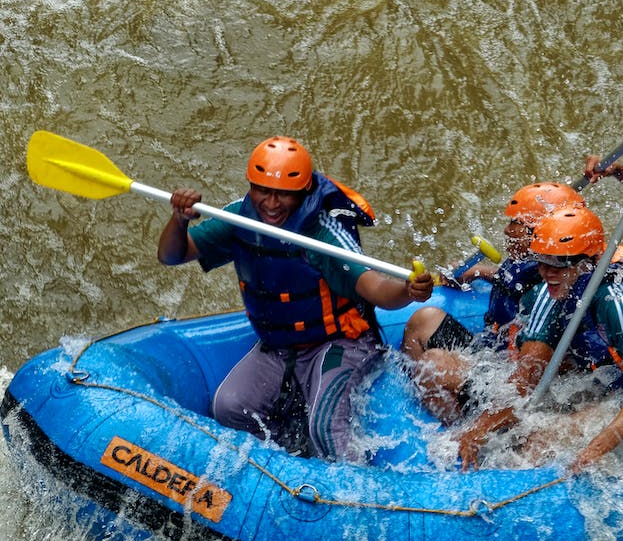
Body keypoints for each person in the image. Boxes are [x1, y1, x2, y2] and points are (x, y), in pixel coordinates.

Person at [158, 135, 433, 458]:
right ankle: (290, 463)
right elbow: (172, 256)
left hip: (340, 343)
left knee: (325, 427)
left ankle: (348, 493)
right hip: (279, 347)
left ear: (302, 192)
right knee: (229, 407)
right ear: (250, 186)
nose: (272, 204)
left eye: (284, 195)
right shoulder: (238, 218)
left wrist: (408, 290)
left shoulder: (324, 232)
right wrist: (179, 219)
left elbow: (376, 290)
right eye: (263, 191)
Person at [457, 205, 623, 473]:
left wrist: (594, 449)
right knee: (526, 427)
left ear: (587, 262)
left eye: (557, 263)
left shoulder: (617, 300)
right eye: (541, 261)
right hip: (611, 379)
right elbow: (527, 376)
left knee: (540, 441)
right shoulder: (551, 292)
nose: (546, 272)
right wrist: (479, 430)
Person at [401, 181, 585, 422]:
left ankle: (461, 429)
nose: (507, 231)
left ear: (540, 232)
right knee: (423, 319)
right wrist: (476, 271)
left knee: (432, 364)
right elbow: (511, 280)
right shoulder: (532, 266)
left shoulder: (553, 287)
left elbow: (531, 375)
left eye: (515, 224)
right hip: (492, 351)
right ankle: (434, 406)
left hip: (511, 377)